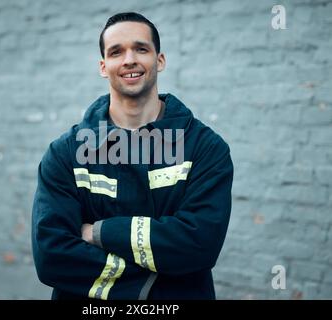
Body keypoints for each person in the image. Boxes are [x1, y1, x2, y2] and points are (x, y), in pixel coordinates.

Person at [32, 12, 233, 300]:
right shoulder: (65, 153)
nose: (129, 60)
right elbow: (51, 255)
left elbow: (200, 244)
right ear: (104, 66)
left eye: (141, 49)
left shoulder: (205, 148)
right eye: (116, 52)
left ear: (159, 60)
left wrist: (97, 234)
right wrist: (161, 275)